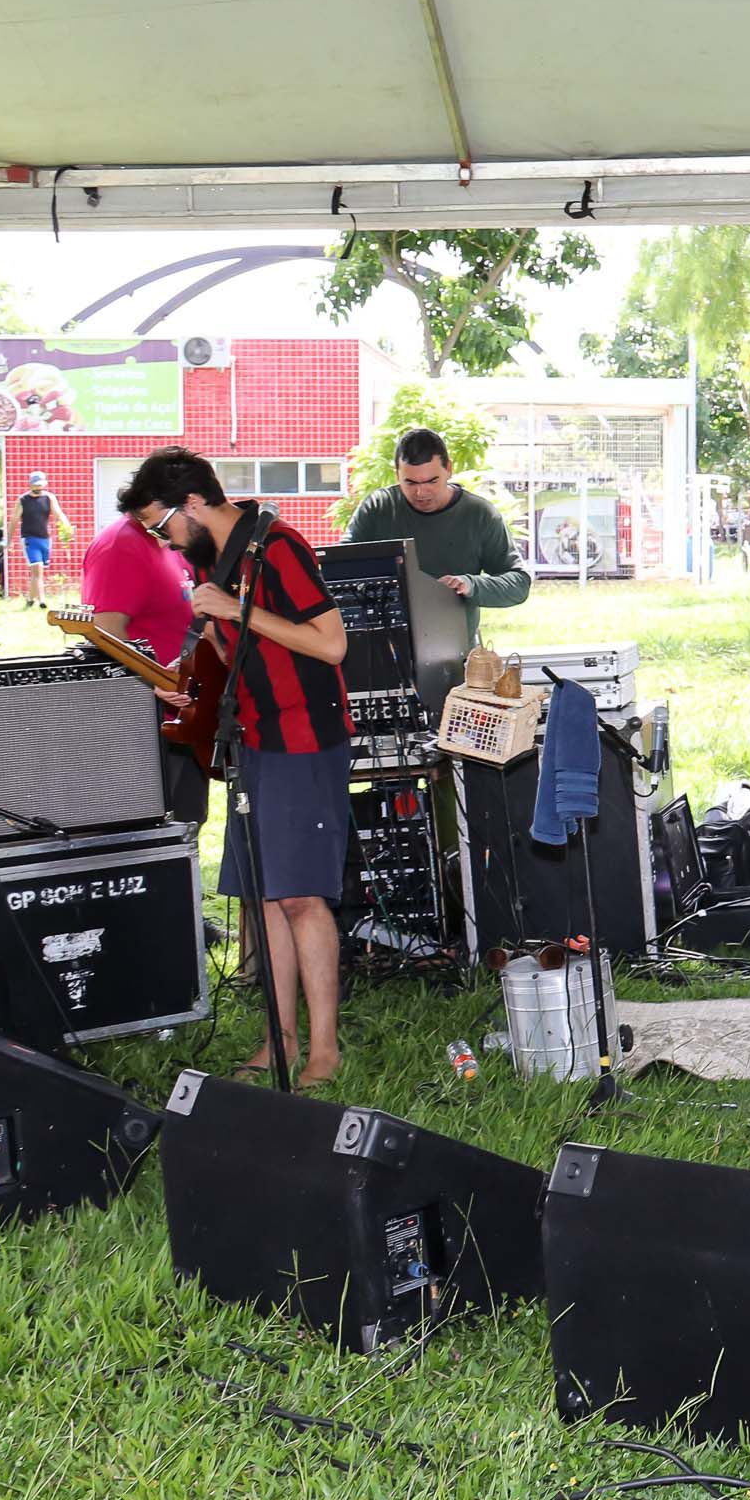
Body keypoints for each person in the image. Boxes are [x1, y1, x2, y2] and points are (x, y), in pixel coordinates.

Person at [122, 446, 353, 1090]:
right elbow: (228, 650)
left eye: (161, 525)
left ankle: (325, 1051)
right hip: (253, 738)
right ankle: (279, 1038)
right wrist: (188, 687)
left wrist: (236, 610)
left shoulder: (277, 546)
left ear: (194, 503)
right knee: (268, 895)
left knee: (301, 897)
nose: (163, 540)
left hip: (304, 739)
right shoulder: (210, 559)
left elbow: (332, 643)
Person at [83, 480, 210, 823]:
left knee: (186, 827)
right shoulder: (119, 546)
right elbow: (103, 634)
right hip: (143, 729)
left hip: (184, 718)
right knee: (152, 834)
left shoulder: (168, 541)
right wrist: (152, 682)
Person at [343, 428, 532, 643]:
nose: (421, 493)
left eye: (432, 481)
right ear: (397, 475)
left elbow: (519, 585)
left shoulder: (479, 514)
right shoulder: (378, 508)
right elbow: (337, 569)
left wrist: (470, 585)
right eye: (410, 483)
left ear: (449, 469)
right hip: (381, 647)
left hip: (454, 650)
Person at [16, 472, 71, 605]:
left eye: (40, 485)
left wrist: (67, 527)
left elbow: (59, 514)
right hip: (29, 539)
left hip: (45, 539)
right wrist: (8, 540)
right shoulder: (23, 500)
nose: (38, 487)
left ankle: (30, 600)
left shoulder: (49, 498)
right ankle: (42, 601)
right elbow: (13, 520)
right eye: (35, 485)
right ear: (30, 484)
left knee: (37, 572)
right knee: (38, 570)